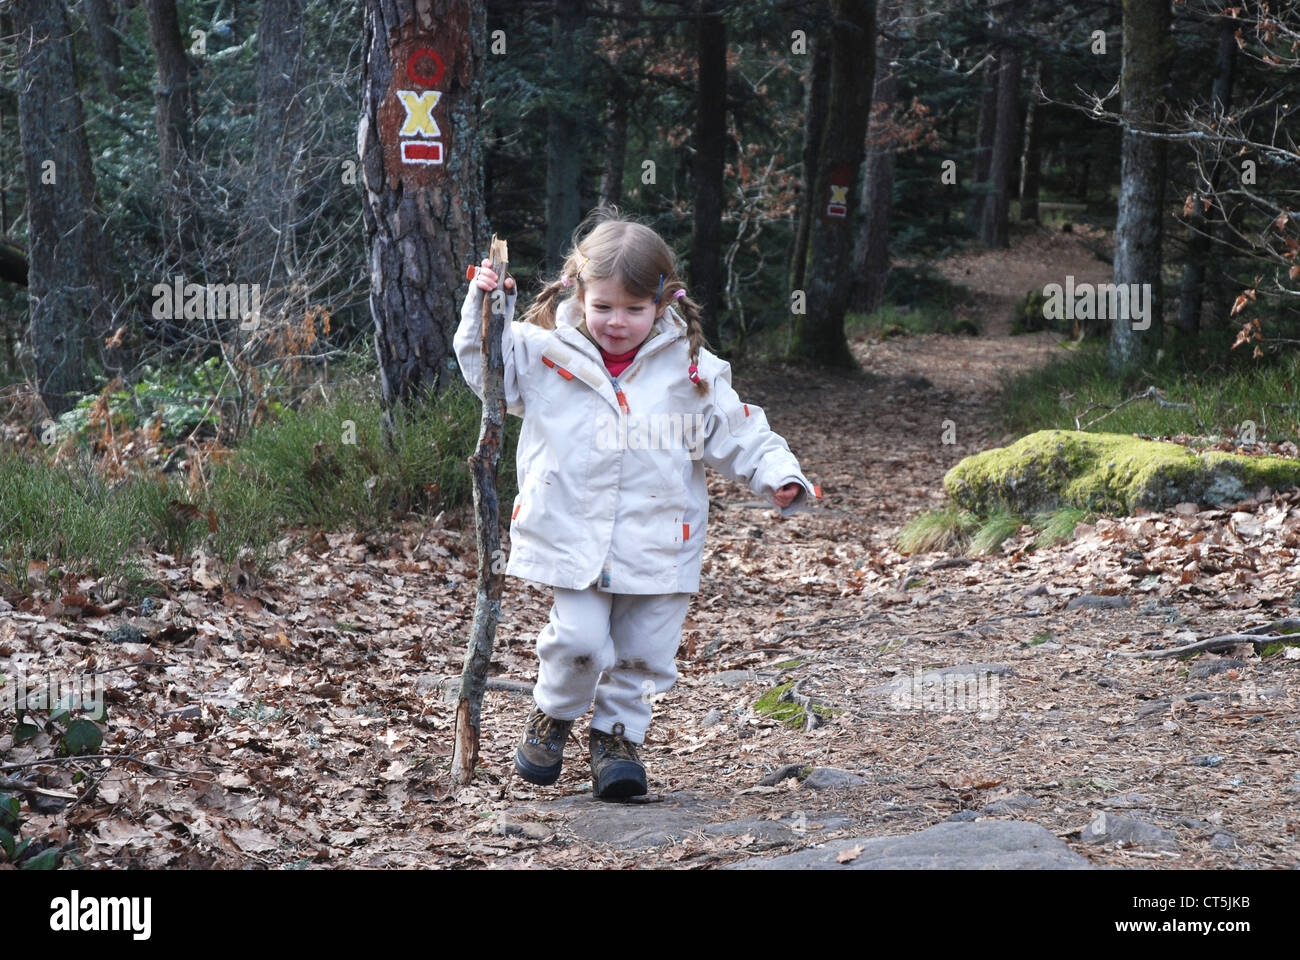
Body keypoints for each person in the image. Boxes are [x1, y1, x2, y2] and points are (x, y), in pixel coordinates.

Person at [453, 209, 819, 800]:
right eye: (603, 308)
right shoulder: (546, 354)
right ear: (577, 291)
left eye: (633, 309)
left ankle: (617, 742)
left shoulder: (690, 369)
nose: (617, 322)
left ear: (663, 302)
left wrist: (778, 473)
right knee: (578, 641)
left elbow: (739, 430)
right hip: (573, 536)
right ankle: (551, 714)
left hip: (661, 541)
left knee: (644, 654)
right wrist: (485, 305)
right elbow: (483, 365)